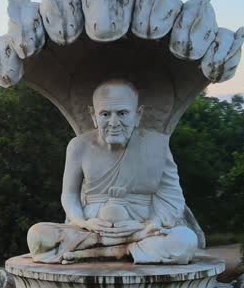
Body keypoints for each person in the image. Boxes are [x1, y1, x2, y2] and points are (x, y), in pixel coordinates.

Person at [26, 79, 198, 264]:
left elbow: (172, 198)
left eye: (122, 113)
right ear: (93, 115)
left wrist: (151, 224)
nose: (114, 122)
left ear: (138, 114)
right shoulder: (79, 147)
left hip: (140, 230)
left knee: (185, 240)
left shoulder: (157, 145)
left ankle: (98, 254)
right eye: (105, 114)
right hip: (91, 232)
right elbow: (69, 196)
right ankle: (120, 250)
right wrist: (83, 222)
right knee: (37, 234)